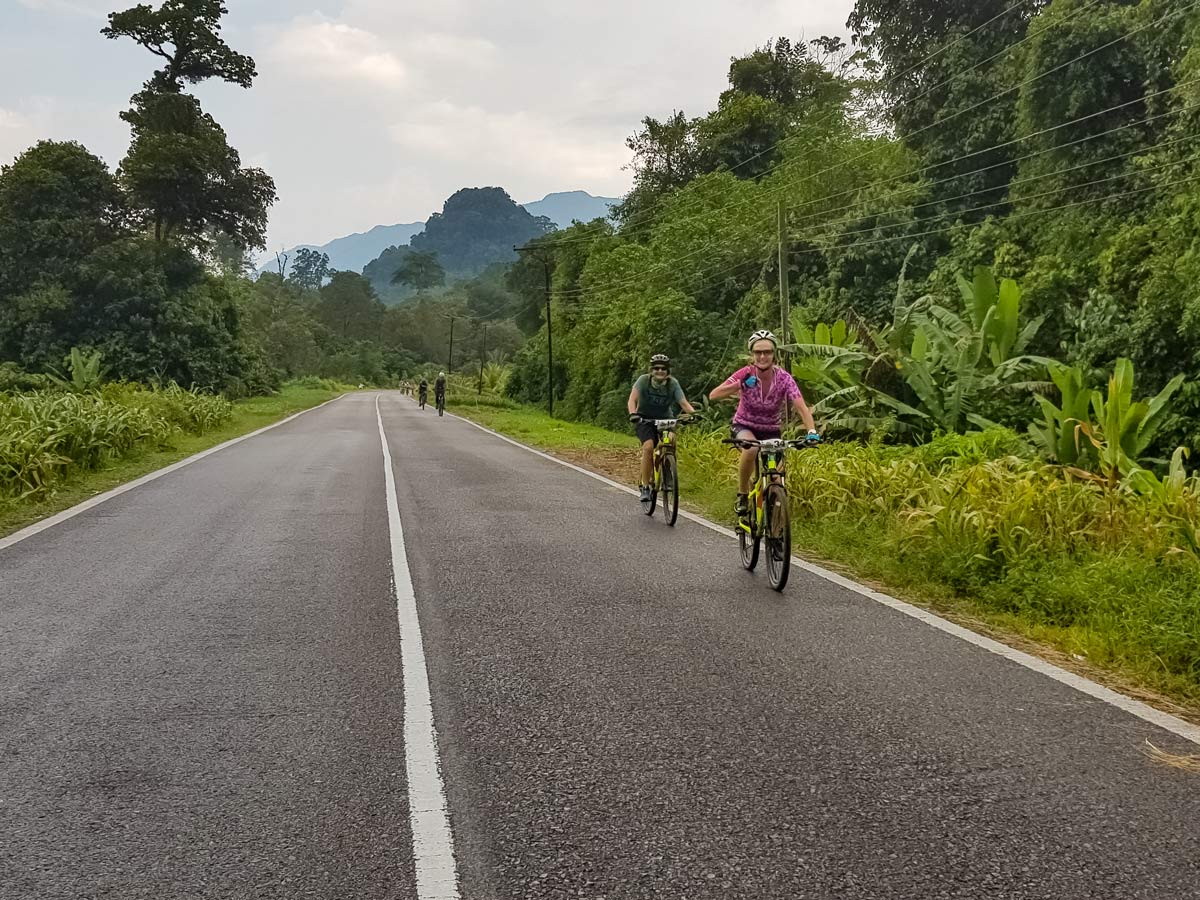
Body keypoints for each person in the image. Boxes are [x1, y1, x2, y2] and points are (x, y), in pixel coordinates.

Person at [708, 330, 819, 517]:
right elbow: (714, 395)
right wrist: (739, 385)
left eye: (767, 352)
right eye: (758, 352)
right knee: (751, 450)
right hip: (745, 426)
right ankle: (742, 495)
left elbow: (802, 408)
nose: (762, 356)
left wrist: (811, 431)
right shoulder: (745, 373)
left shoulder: (784, 378)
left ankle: (777, 530)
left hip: (771, 431)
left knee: (777, 479)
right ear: (752, 355)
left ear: (774, 354)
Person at [627, 353, 697, 503]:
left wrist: (694, 414)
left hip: (665, 420)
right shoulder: (643, 381)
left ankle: (667, 470)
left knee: (670, 441)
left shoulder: (673, 384)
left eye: (663, 369)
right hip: (644, 419)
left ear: (668, 371)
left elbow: (683, 402)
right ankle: (645, 486)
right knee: (648, 447)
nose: (660, 371)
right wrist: (633, 414)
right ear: (651, 370)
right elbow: (632, 399)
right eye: (656, 368)